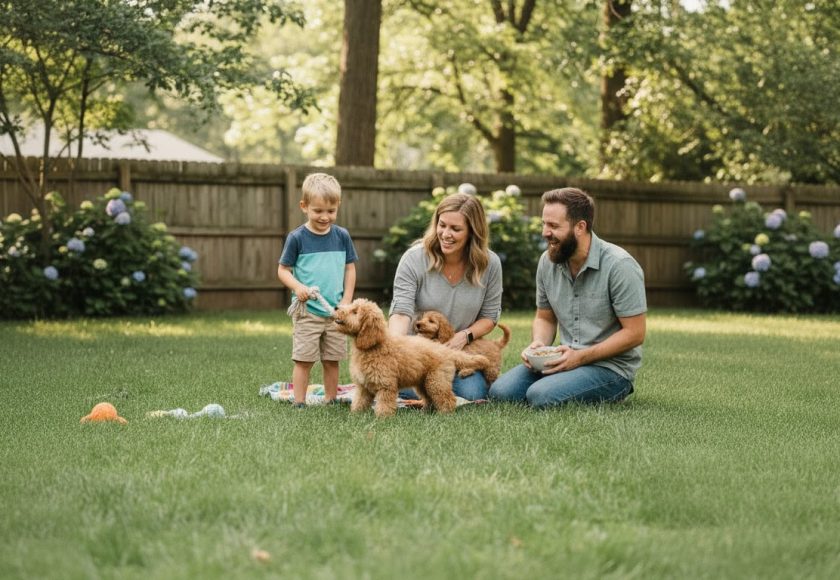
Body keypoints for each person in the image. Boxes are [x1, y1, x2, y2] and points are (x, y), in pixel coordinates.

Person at [489, 187, 646, 408]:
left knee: (541, 396)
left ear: (580, 227)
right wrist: (538, 345)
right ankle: (562, 382)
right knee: (500, 393)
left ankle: (607, 390)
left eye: (553, 226)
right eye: (544, 223)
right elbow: (545, 318)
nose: (545, 232)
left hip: (610, 368)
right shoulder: (547, 262)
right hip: (562, 359)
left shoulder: (620, 266)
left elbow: (635, 333)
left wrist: (580, 357)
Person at [388, 192, 503, 400]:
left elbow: (489, 317)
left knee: (472, 392)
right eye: (442, 225)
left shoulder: (490, 264)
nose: (446, 234)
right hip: (419, 355)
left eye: (456, 229)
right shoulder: (414, 259)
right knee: (392, 382)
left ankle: (431, 388)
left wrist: (464, 336)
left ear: (472, 232)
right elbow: (401, 312)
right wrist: (395, 350)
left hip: (460, 353)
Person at [278, 173, 358, 407]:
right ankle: (299, 401)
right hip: (308, 312)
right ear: (304, 207)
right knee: (304, 360)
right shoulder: (297, 238)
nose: (325, 217)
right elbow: (283, 271)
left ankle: (331, 399)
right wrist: (298, 287)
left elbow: (350, 269)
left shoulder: (342, 236)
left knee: (332, 360)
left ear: (338, 206)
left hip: (335, 313)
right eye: (318, 211)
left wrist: (347, 300)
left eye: (331, 211)